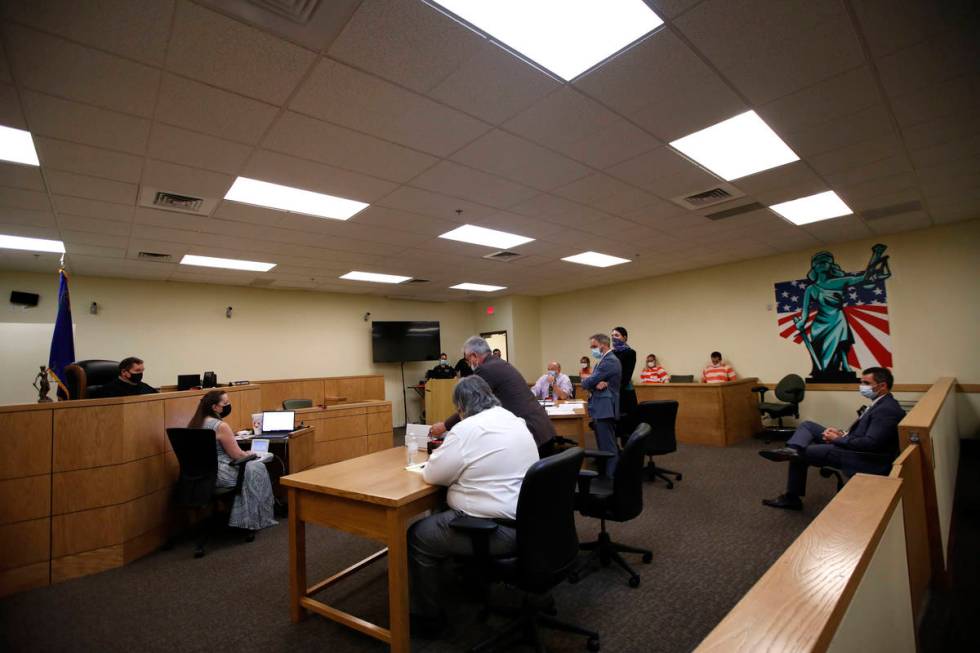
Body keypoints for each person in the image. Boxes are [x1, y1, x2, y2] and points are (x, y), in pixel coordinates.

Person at [408, 376, 539, 636]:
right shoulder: (514, 420)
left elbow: (433, 475)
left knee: (418, 536)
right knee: (443, 514)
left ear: (461, 407)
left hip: (496, 531)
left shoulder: (466, 429)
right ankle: (470, 580)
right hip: (529, 522)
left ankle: (429, 619)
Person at [759, 367, 905, 510]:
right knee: (807, 426)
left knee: (802, 453)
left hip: (863, 457)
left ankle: (792, 496)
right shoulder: (880, 403)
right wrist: (841, 433)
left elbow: (871, 443)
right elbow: (864, 434)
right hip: (851, 444)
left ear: (882, 386)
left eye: (866, 383)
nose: (862, 387)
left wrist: (837, 439)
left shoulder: (887, 410)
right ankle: (792, 449)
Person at [429, 337, 557, 451]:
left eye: (467, 360)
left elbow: (470, 407)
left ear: (474, 356)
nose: (468, 364)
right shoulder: (499, 363)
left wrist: (445, 426)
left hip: (531, 435)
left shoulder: (484, 370)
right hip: (543, 429)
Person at [187, 390, 277, 530]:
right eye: (226, 403)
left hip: (198, 475)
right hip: (219, 474)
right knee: (257, 468)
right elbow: (238, 456)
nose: (228, 405)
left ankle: (237, 514)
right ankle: (250, 518)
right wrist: (251, 453)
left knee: (251, 467)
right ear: (215, 407)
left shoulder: (194, 423)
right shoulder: (220, 426)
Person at [581, 333, 622, 477]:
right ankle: (607, 475)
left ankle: (612, 480)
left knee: (608, 447)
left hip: (605, 409)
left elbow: (586, 382)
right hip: (601, 407)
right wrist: (594, 382)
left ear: (603, 345)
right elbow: (593, 382)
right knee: (604, 446)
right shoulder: (604, 360)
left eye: (594, 346)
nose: (592, 350)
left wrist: (588, 380)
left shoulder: (609, 361)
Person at [611, 326, 638, 440]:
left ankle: (628, 453)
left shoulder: (630, 352)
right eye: (612, 336)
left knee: (627, 427)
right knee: (614, 426)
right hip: (612, 392)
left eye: (617, 335)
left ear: (625, 337)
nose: (614, 338)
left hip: (625, 393)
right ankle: (615, 454)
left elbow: (627, 376)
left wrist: (614, 387)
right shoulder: (610, 353)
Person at [90, 356, 159, 397]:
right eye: (137, 371)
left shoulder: (145, 387)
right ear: (124, 372)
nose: (141, 373)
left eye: (142, 370)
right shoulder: (107, 390)